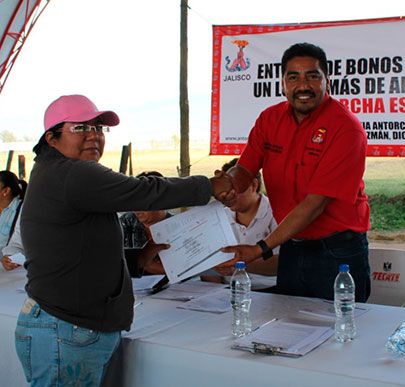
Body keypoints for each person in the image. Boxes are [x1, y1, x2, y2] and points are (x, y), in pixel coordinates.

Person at [15, 94, 239, 386]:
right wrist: (210, 185)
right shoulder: (73, 173)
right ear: (52, 138)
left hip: (64, 326)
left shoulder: (55, 173)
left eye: (98, 128)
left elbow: (76, 248)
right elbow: (145, 191)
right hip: (66, 329)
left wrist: (137, 259)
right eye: (80, 128)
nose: (93, 136)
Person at [220, 42, 371, 302]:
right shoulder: (269, 119)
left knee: (340, 330)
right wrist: (226, 186)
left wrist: (261, 249)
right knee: (286, 322)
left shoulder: (346, 128)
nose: (303, 85)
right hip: (291, 243)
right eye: (293, 77)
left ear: (327, 80)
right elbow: (245, 168)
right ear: (283, 83)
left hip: (337, 250)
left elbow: (315, 204)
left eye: (312, 76)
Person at [219, 158, 279, 291]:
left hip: (270, 290)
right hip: (225, 290)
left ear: (254, 185)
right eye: (224, 190)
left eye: (234, 189)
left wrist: (238, 265)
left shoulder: (278, 214)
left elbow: (283, 264)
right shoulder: (219, 217)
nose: (227, 195)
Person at [0, 170, 27, 271]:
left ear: (6, 191)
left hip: (12, 268)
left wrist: (9, 257)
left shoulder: (22, 209)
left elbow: (17, 242)